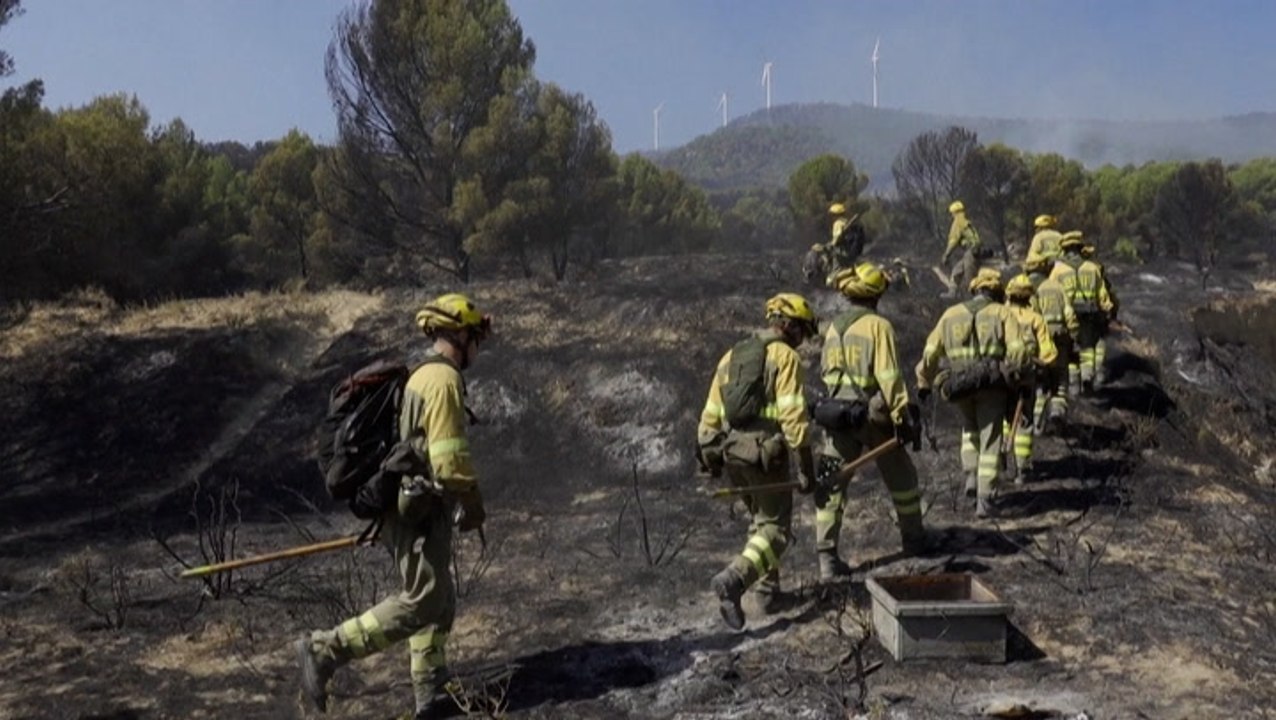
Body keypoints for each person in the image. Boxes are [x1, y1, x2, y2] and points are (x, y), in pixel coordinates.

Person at [296, 293, 492, 720]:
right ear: (460, 334)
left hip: (413, 502)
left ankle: (432, 686)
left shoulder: (422, 375)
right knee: (422, 599)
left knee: (440, 599)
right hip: (415, 508)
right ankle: (324, 649)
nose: (479, 346)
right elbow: (450, 461)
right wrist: (473, 505)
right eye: (476, 337)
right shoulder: (442, 381)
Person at [697, 293, 819, 630]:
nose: (803, 340)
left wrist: (710, 456)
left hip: (732, 454)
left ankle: (767, 595)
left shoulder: (731, 356)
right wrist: (807, 466)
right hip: (766, 456)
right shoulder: (785, 358)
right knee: (776, 530)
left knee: (759, 523)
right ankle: (734, 580)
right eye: (803, 331)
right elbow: (794, 418)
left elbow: (710, 415)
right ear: (789, 326)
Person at [812, 262, 926, 580]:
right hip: (871, 415)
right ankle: (914, 540)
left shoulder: (834, 328)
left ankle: (827, 559)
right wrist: (902, 416)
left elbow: (825, 372)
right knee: (903, 477)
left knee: (831, 483)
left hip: (836, 415)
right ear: (875, 296)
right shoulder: (878, 326)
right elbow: (889, 377)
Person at [916, 268, 1026, 518]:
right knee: (990, 439)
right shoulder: (1002, 312)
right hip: (992, 387)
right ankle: (985, 500)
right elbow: (1018, 351)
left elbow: (930, 352)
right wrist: (1018, 374)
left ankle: (970, 478)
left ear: (974, 289)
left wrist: (923, 382)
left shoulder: (950, 315)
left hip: (959, 385)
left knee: (969, 428)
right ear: (996, 292)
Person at [1001, 274, 1058, 484]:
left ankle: (999, 461)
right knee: (1024, 420)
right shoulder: (1035, 319)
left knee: (1002, 416)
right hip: (1026, 378)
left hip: (1001, 375)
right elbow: (1049, 354)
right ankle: (1022, 469)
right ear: (1028, 297)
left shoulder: (1000, 314)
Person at [1051, 232, 1114, 394]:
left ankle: (1073, 387)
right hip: (1089, 315)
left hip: (1067, 316)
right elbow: (1102, 294)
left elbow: (1052, 293)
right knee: (1087, 347)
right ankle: (1087, 378)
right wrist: (1107, 309)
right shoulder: (1092, 268)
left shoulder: (1058, 271)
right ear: (1080, 248)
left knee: (1070, 350)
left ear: (1065, 250)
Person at [1023, 252, 1078, 428]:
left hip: (1033, 341)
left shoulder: (1020, 287)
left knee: (1040, 382)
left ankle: (1038, 421)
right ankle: (1057, 410)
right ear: (1046, 269)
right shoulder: (1056, 287)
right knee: (1060, 376)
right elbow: (1069, 314)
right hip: (1058, 338)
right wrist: (1074, 336)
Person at [1081, 241, 1119, 385]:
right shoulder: (1096, 268)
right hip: (1098, 311)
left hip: (1081, 313)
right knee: (1100, 341)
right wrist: (1111, 312)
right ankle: (1098, 372)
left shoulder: (1069, 270)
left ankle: (1086, 374)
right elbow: (1106, 292)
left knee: (1085, 344)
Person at [941, 200, 984, 297]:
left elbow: (953, 241)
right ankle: (952, 292)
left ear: (954, 213)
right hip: (973, 252)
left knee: (970, 278)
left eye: (951, 214)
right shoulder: (966, 221)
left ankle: (976, 298)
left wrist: (946, 255)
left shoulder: (958, 222)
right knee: (957, 270)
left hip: (971, 252)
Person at [825, 203, 866, 277]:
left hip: (842, 252)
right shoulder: (846, 222)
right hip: (851, 252)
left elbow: (837, 239)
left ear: (834, 215)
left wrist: (830, 245)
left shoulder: (837, 223)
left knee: (835, 271)